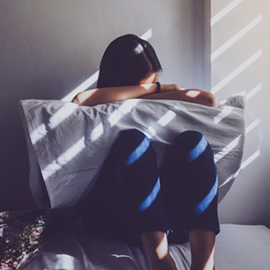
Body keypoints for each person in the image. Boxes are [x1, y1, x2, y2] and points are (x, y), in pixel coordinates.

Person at [73, 34, 219, 270]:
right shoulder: (102, 103)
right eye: (147, 85)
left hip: (169, 220)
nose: (153, 89)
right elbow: (81, 99)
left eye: (155, 81)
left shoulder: (164, 96)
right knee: (134, 141)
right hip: (120, 218)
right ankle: (162, 262)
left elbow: (207, 99)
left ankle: (204, 264)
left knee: (194, 141)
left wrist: (160, 91)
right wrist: (149, 90)